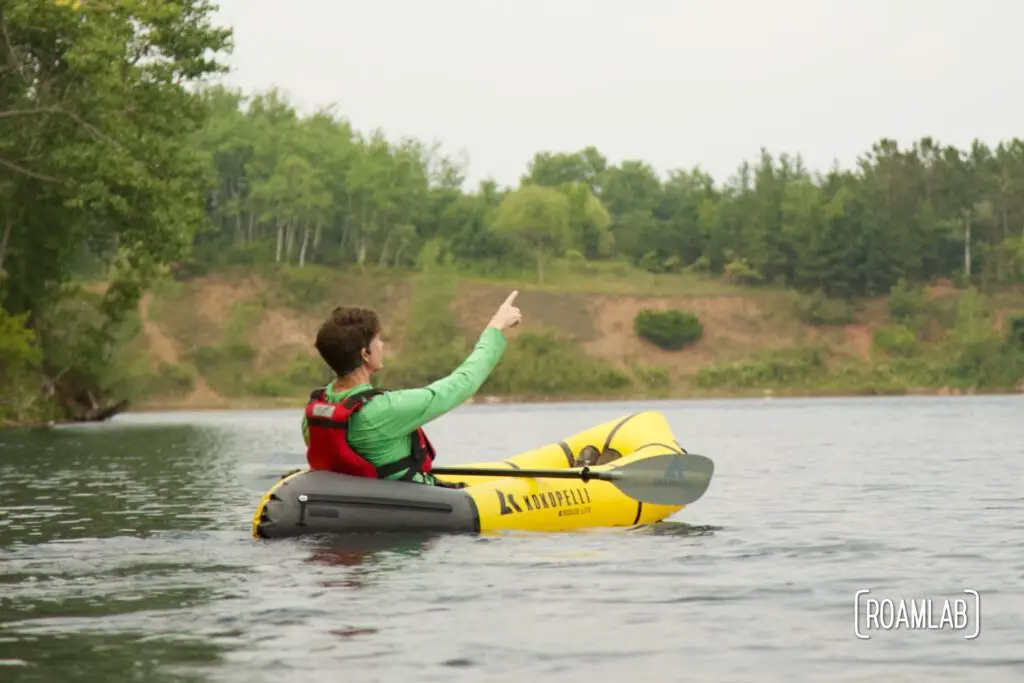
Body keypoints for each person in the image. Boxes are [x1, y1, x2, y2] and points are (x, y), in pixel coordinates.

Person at [301, 290, 523, 487]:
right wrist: (496, 327)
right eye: (377, 340)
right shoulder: (384, 410)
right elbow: (463, 383)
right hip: (408, 504)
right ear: (365, 354)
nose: (382, 345)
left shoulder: (318, 411)